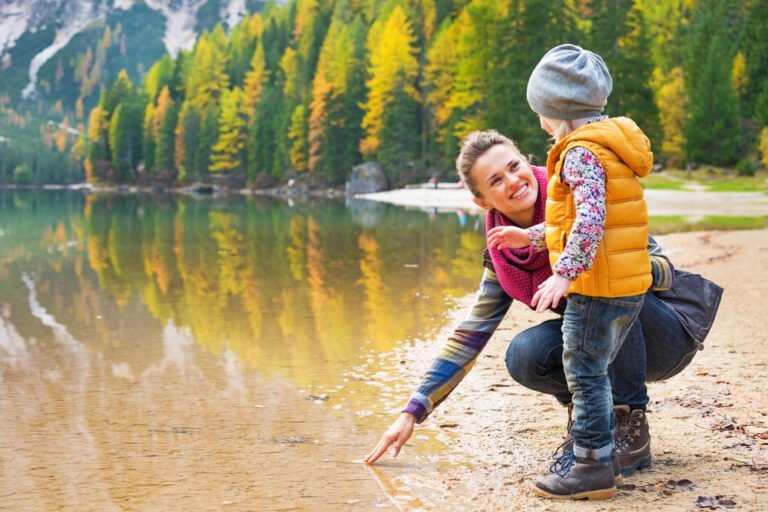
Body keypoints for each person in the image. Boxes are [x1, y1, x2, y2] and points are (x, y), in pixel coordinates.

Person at [363, 128, 720, 494]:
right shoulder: (502, 253)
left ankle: (630, 424)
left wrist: (577, 255)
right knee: (524, 354)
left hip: (663, 335)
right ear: (483, 202)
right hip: (599, 345)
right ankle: (594, 420)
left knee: (602, 289)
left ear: (527, 161)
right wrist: (412, 412)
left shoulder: (580, 197)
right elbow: (470, 334)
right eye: (496, 181)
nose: (513, 181)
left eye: (514, 166)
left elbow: (664, 269)